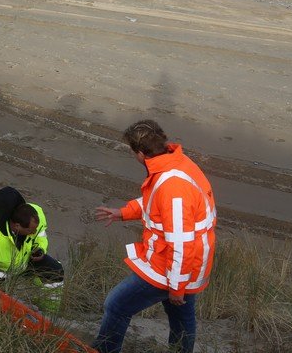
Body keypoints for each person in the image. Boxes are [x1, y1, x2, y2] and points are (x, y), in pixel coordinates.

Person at [92, 120, 217, 353]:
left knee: (117, 304)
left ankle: (103, 350)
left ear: (140, 153)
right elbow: (158, 205)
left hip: (172, 265)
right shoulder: (177, 163)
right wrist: (124, 212)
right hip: (189, 263)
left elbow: (180, 240)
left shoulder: (172, 186)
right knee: (180, 314)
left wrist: (177, 285)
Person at [0, 186, 64, 306]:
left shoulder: (35, 215)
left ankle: (49, 312)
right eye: (31, 230)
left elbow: (41, 233)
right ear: (17, 226)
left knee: (56, 270)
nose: (34, 233)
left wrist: (40, 248)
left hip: (25, 261)